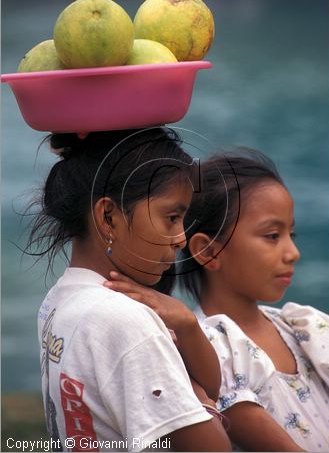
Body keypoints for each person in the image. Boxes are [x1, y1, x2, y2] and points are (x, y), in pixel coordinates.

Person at [30, 127, 231, 452]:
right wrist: (199, 399)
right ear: (108, 217)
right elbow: (214, 448)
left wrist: (188, 325)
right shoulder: (124, 319)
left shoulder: (57, 302)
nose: (181, 237)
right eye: (172, 216)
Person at [174, 148, 329, 452]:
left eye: (291, 234)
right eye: (272, 236)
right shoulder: (206, 350)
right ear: (208, 251)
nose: (293, 253)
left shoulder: (303, 330)